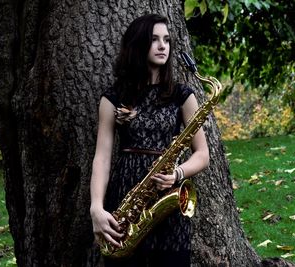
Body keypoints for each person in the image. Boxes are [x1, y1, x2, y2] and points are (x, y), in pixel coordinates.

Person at [89, 13, 209, 267]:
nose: (162, 45)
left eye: (166, 39)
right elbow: (102, 158)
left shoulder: (182, 96)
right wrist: (96, 208)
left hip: (167, 198)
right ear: (137, 44)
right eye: (154, 39)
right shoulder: (113, 98)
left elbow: (202, 154)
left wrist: (177, 174)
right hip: (125, 201)